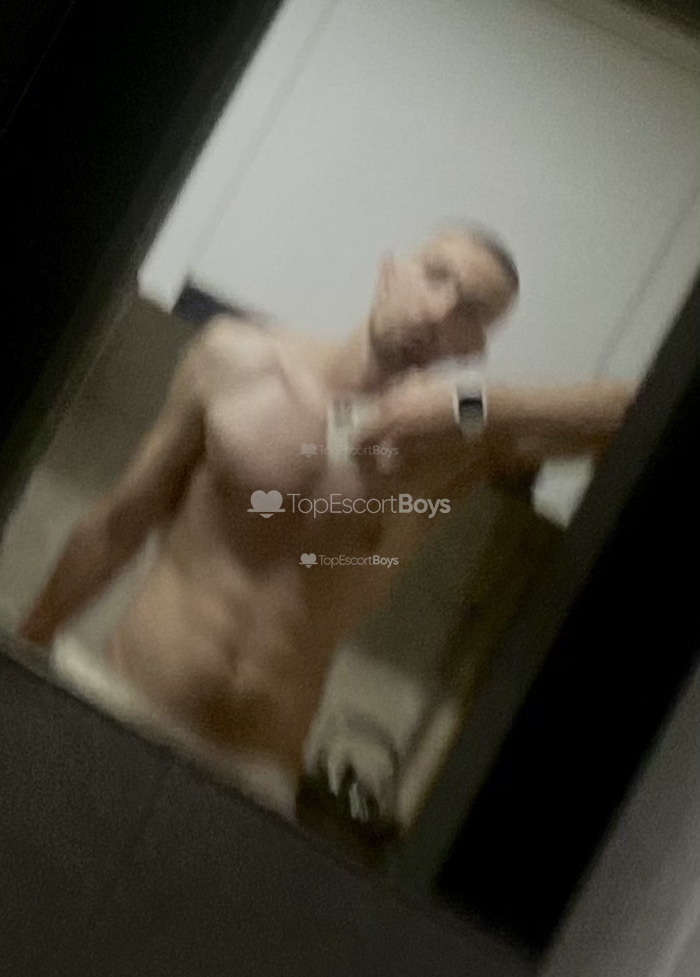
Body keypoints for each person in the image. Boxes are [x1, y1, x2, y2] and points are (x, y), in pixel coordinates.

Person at [18, 225, 634, 807]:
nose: (439, 311)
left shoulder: (459, 450)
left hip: (255, 775)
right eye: (435, 276)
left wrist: (477, 402)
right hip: (121, 701)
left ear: (473, 348)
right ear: (389, 273)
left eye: (470, 309)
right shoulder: (238, 361)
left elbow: (637, 417)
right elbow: (121, 521)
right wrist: (25, 648)